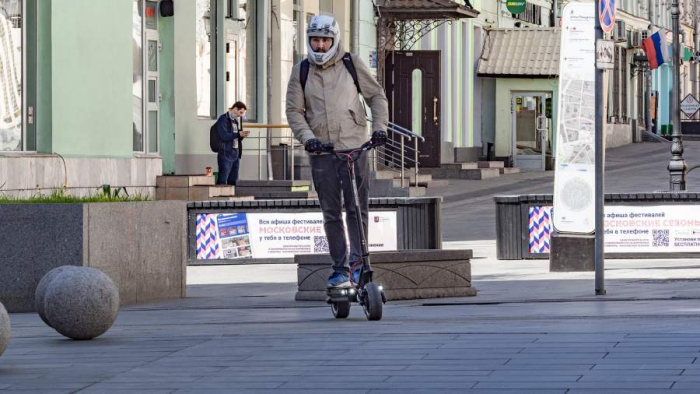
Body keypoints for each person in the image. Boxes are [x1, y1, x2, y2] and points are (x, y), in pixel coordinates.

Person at [286, 15, 388, 288]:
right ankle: (340, 269)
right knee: (331, 211)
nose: (319, 46)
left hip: (355, 147)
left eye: (325, 40)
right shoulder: (301, 71)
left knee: (356, 208)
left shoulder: (351, 63)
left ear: (334, 40)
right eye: (315, 40)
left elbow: (376, 96)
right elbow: (294, 111)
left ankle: (359, 265)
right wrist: (308, 139)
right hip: (322, 152)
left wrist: (380, 128)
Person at [216, 101, 249, 186]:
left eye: (242, 113)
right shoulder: (223, 119)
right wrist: (238, 134)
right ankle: (220, 198)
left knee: (233, 180)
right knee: (223, 179)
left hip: (235, 153)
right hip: (225, 153)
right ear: (235, 109)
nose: (241, 115)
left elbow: (235, 137)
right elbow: (223, 136)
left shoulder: (235, 121)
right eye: (240, 112)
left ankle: (231, 197)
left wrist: (241, 135)